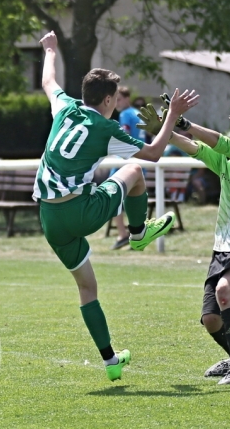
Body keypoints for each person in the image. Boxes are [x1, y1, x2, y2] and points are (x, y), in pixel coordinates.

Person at [33, 31, 198, 383]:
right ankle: (138, 233)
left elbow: (48, 79)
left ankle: (111, 360)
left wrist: (49, 49)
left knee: (87, 288)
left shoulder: (64, 106)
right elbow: (153, 154)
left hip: (50, 218)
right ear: (108, 99)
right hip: (79, 211)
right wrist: (173, 115)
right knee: (135, 169)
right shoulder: (105, 127)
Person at [138, 101, 230, 385]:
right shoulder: (227, 161)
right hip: (224, 246)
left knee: (225, 292)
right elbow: (197, 149)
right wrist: (164, 130)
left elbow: (222, 144)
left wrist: (186, 125)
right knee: (211, 319)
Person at [110, 86, 146, 250]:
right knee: (135, 201)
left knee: (112, 198)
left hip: (124, 162)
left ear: (126, 99)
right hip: (140, 161)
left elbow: (125, 137)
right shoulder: (137, 114)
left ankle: (122, 234)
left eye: (118, 99)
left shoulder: (125, 114)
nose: (116, 103)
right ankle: (137, 235)